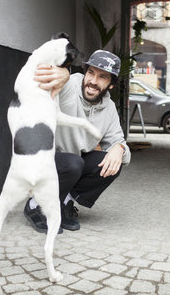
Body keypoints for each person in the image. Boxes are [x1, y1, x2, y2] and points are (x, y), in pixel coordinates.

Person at [23, 49, 131, 233]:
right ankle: (35, 206)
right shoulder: (69, 88)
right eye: (91, 73)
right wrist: (64, 72)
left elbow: (118, 142)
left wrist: (119, 148)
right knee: (74, 163)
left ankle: (64, 202)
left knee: (112, 162)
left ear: (111, 84)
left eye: (102, 77)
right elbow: (58, 81)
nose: (93, 81)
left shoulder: (109, 108)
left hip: (71, 163)